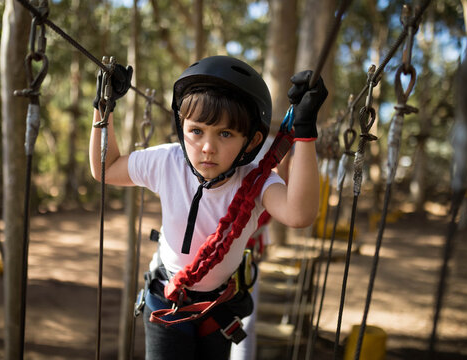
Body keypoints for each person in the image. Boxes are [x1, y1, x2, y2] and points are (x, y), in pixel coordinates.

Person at [89, 55, 327, 360]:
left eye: (225, 134)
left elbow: (299, 214)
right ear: (181, 126)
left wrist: (304, 132)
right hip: (166, 299)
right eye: (196, 131)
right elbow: (105, 167)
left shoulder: (256, 182)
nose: (207, 147)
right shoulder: (167, 162)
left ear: (251, 140)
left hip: (218, 310)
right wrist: (103, 108)